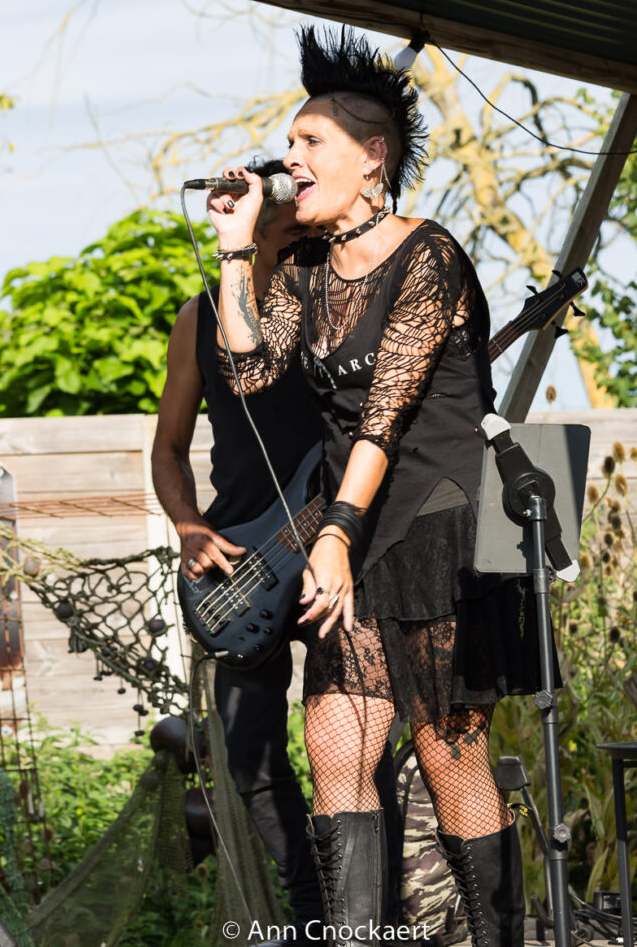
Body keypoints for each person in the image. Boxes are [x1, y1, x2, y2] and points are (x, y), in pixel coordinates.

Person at [206, 27, 555, 947]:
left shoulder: (428, 254)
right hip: (355, 533)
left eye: (308, 141)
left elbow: (385, 414)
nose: (290, 158)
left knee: (449, 759)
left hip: (441, 523)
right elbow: (248, 373)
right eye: (288, 143)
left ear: (371, 157)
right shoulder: (304, 271)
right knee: (335, 748)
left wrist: (332, 532)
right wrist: (238, 249)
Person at [152, 157, 401, 945]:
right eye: (291, 233)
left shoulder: (343, 309)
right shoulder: (198, 320)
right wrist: (188, 525)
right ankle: (312, 914)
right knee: (249, 759)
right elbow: (167, 448)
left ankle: (371, 920)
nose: (307, 244)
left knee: (357, 752)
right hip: (240, 562)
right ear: (251, 232)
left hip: (337, 554)